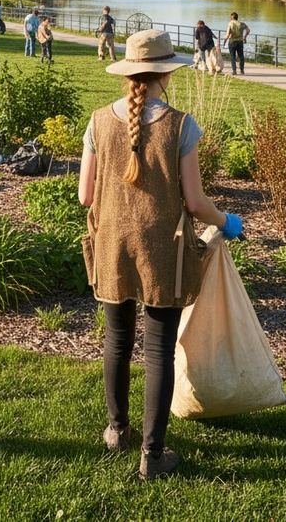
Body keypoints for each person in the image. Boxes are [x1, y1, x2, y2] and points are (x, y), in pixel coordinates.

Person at [78, 29, 243, 481]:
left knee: (116, 342)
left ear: (130, 71)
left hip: (112, 244)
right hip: (162, 253)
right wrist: (225, 221)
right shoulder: (181, 125)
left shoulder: (96, 122)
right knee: (157, 351)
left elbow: (84, 196)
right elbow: (194, 202)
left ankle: (116, 432)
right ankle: (152, 455)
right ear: (166, 73)